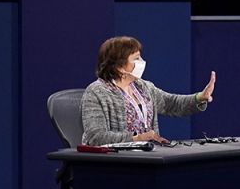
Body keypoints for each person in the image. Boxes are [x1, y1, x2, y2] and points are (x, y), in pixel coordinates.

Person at [81, 35, 216, 146]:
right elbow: (96, 138)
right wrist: (136, 138)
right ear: (119, 67)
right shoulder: (96, 92)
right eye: (136, 58)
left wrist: (200, 97)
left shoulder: (143, 87)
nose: (142, 61)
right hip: (115, 162)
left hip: (148, 157)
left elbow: (171, 103)